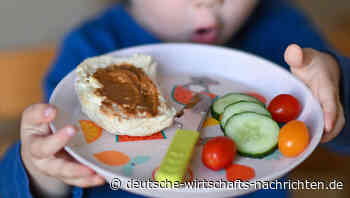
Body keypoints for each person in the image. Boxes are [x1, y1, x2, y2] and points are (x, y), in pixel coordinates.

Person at [1, 0, 349, 197]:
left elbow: (338, 129)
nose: (209, 1)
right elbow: (29, 177)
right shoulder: (89, 52)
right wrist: (40, 174)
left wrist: (334, 88)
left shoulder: (282, 31)